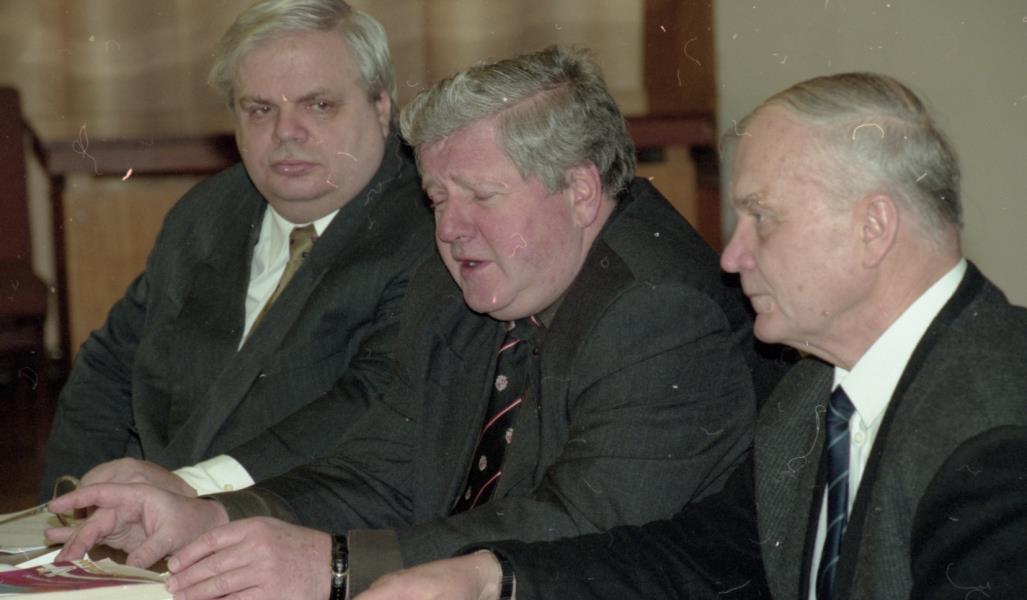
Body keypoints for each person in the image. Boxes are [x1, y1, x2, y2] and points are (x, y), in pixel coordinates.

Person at [48, 46, 786, 600]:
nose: (451, 230)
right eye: (437, 198)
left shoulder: (659, 309)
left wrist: (335, 566)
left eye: (480, 195)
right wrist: (213, 518)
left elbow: (577, 531)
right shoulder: (471, 277)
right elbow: (385, 464)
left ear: (581, 190)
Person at [353, 72, 1027, 600]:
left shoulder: (997, 427)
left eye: (762, 218)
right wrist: (493, 577)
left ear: (872, 228)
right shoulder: (810, 396)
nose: (731, 257)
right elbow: (701, 560)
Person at [40, 0, 434, 499]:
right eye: (260, 109)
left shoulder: (427, 224)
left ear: (381, 108)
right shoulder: (209, 211)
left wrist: (187, 490)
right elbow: (110, 367)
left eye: (318, 105)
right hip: (148, 513)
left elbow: (370, 402)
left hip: (301, 516)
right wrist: (75, 505)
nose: (286, 132)